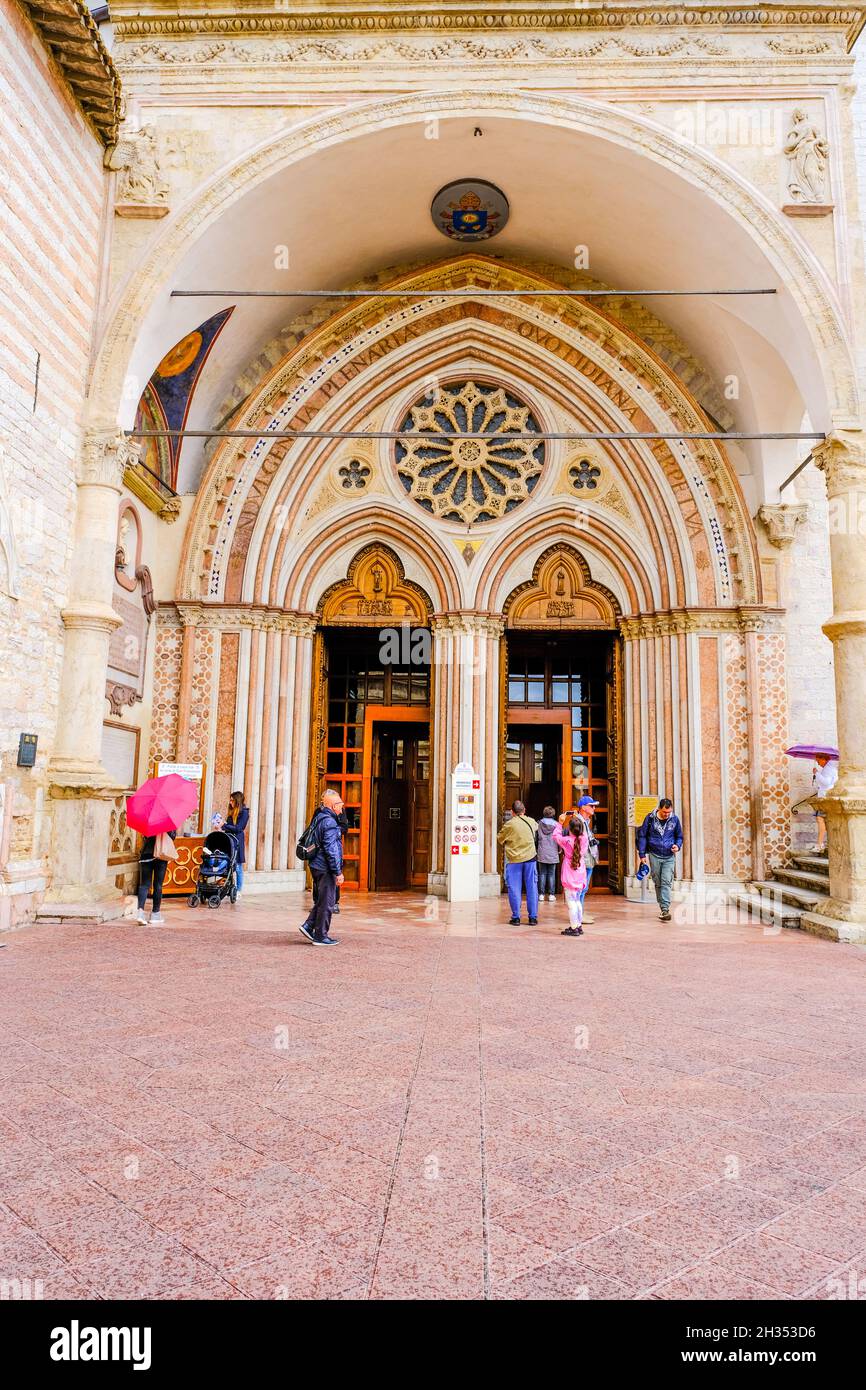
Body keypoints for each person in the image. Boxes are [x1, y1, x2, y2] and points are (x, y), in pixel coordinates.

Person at [299, 788, 344, 945]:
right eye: (339, 803)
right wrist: (338, 871)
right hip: (325, 867)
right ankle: (321, 936)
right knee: (327, 902)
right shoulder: (330, 822)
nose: (342, 805)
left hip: (317, 865)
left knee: (323, 899)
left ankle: (309, 925)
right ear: (332, 806)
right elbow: (331, 849)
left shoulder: (320, 817)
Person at [636, 797, 683, 922]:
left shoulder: (675, 819)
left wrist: (677, 846)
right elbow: (642, 836)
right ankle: (662, 905)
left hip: (669, 855)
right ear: (659, 809)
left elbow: (679, 836)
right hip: (654, 854)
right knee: (658, 881)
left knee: (666, 881)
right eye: (664, 812)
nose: (667, 815)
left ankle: (665, 909)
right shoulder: (650, 818)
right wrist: (642, 855)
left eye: (669, 812)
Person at [497, 799, 539, 926]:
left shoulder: (510, 824)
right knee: (532, 888)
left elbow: (500, 839)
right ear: (524, 810)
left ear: (512, 812)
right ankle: (532, 917)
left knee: (514, 888)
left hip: (514, 860)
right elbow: (536, 829)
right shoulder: (531, 821)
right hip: (530, 858)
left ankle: (516, 917)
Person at [552, 816, 589, 936]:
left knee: (571, 902)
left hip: (569, 873)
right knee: (577, 900)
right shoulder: (584, 839)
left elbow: (555, 836)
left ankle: (574, 927)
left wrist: (560, 823)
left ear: (570, 830)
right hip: (580, 871)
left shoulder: (567, 840)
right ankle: (578, 925)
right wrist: (578, 818)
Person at [135, 830, 176, 925]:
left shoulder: (149, 821)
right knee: (158, 885)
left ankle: (140, 913)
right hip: (161, 855)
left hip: (146, 854)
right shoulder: (168, 823)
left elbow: (145, 835)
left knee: (144, 885)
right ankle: (155, 914)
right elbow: (172, 837)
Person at [569, 796, 600, 924]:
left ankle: (580, 912)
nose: (594, 808)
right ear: (583, 807)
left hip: (588, 858)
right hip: (584, 859)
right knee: (581, 888)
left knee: (584, 888)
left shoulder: (585, 821)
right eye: (591, 805)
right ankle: (578, 915)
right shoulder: (579, 822)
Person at [222, 790, 249, 897]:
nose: (230, 802)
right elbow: (229, 826)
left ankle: (238, 890)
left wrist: (224, 826)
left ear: (237, 801)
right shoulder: (231, 811)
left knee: (238, 866)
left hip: (237, 841)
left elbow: (239, 828)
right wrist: (221, 825)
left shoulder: (244, 812)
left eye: (232, 800)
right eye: (230, 800)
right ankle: (227, 888)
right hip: (228, 840)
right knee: (227, 864)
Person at [812, 755, 838, 852]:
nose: (818, 763)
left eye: (818, 761)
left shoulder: (828, 769)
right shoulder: (830, 768)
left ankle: (820, 844)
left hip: (825, 798)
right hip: (826, 797)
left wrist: (817, 773)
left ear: (824, 759)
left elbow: (826, 783)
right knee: (823, 820)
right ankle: (821, 843)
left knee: (820, 819)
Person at [536, 805, 561, 902]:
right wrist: (560, 849)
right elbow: (559, 838)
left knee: (542, 873)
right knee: (551, 874)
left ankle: (541, 894)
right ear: (553, 814)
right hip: (553, 851)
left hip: (542, 851)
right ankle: (551, 894)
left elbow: (536, 838)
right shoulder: (557, 825)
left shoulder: (539, 823)